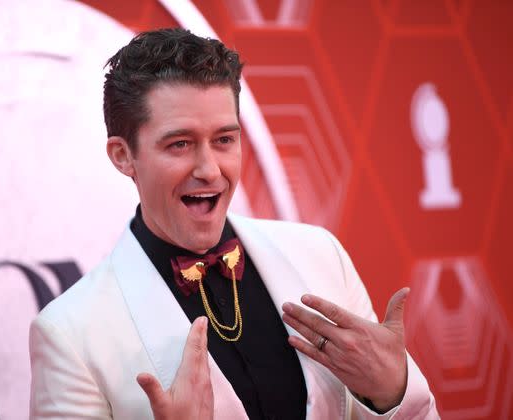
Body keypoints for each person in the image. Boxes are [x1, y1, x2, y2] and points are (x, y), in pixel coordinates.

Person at [29, 28, 438, 419]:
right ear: (122, 155)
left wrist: (390, 395)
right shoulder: (70, 334)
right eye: (180, 144)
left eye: (224, 140)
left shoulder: (321, 254)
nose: (209, 169)